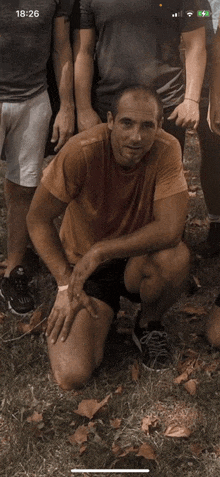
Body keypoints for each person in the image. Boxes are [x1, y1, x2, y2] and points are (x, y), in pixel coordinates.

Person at [27, 85, 190, 390]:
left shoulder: (167, 149)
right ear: (111, 120)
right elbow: (37, 218)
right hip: (86, 268)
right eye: (127, 123)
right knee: (72, 375)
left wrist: (102, 250)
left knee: (175, 256)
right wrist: (64, 282)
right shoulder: (82, 150)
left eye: (147, 126)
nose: (136, 136)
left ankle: (148, 324)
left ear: (159, 126)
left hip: (136, 258)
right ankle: (101, 317)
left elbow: (170, 228)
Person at [0, 1, 75, 314]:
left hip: (34, 99)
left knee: (23, 189)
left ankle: (12, 272)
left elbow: (61, 48)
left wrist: (67, 106)